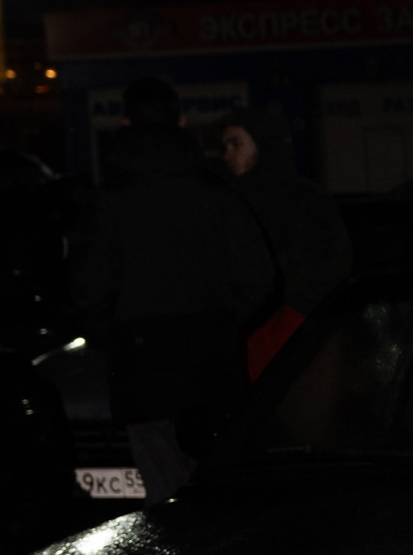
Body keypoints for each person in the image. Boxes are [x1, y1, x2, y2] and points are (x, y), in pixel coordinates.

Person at [69, 77, 276, 501]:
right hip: (210, 368)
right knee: (219, 491)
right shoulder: (215, 194)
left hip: (143, 366)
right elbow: (259, 278)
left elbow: (90, 286)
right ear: (180, 123)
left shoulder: (110, 200)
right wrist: (221, 326)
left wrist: (118, 336)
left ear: (125, 124)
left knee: (166, 498)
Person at [219, 105, 352, 368]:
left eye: (236, 145)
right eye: (226, 146)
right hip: (250, 334)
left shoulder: (306, 199)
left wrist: (295, 312)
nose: (227, 156)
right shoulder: (229, 200)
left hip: (299, 329)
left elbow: (333, 264)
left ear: (263, 145)